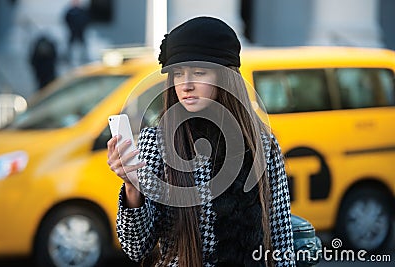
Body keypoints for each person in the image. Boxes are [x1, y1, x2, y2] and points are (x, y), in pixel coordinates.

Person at [107, 17, 295, 267]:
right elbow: (135, 247)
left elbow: (281, 242)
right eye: (178, 74)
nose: (186, 85)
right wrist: (132, 187)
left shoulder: (261, 144)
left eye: (198, 72)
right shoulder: (156, 143)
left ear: (224, 78)